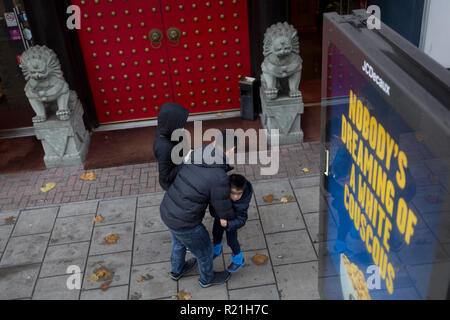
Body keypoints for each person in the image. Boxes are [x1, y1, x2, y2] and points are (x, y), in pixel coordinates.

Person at [160, 130, 238, 288]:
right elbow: (222, 205)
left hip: (168, 211)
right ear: (232, 149)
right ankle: (207, 279)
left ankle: (177, 270)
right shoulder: (218, 176)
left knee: (178, 243)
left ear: (215, 142)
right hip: (186, 222)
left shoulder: (198, 154)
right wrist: (230, 218)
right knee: (205, 251)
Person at [211, 174, 253, 273]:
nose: (235, 197)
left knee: (231, 241)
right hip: (219, 218)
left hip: (231, 223)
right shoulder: (221, 193)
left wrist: (228, 224)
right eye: (233, 193)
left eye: (239, 193)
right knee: (215, 233)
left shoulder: (242, 203)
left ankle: (238, 260)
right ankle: (216, 250)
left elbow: (242, 220)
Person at [153, 102, 189, 191]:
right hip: (175, 187)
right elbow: (165, 179)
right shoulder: (164, 148)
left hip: (182, 173)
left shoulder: (167, 130)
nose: (182, 126)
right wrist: (186, 161)